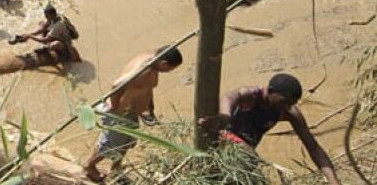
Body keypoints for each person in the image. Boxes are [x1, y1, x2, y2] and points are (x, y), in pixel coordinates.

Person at [198, 74, 341, 185]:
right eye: (283, 102)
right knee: (249, 157)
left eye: (290, 104)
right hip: (225, 143)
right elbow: (229, 97)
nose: (286, 107)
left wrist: (333, 181)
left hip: (246, 158)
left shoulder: (289, 111)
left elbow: (313, 147)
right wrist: (225, 117)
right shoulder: (252, 96)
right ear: (270, 91)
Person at [84, 46, 184, 182]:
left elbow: (147, 89)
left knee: (126, 143)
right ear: (164, 64)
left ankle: (116, 168)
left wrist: (150, 108)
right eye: (171, 69)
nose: (171, 71)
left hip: (131, 114)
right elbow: (116, 85)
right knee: (110, 144)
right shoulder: (144, 71)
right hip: (120, 113)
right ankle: (89, 166)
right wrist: (114, 107)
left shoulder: (151, 61)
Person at [10, 4, 79, 60]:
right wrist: (27, 35)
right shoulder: (55, 16)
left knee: (55, 44)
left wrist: (30, 37)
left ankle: (47, 49)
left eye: (46, 15)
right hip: (57, 35)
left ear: (51, 14)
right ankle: (46, 46)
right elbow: (43, 28)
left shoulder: (59, 25)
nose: (45, 17)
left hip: (64, 43)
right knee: (41, 23)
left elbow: (45, 40)